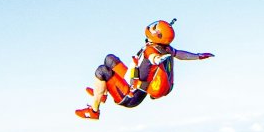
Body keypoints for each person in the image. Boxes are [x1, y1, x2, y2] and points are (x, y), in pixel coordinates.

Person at [75, 19, 213, 120]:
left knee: (101, 71)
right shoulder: (166, 48)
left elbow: (152, 57)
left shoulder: (151, 50)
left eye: (154, 28)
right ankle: (102, 94)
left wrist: (156, 59)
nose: (151, 28)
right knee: (110, 59)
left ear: (158, 36)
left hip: (131, 95)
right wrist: (198, 56)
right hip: (132, 79)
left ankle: (93, 111)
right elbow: (180, 54)